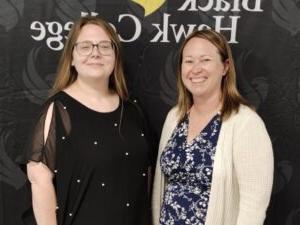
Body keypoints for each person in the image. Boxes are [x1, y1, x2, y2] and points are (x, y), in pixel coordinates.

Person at [26, 16, 151, 225]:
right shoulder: (58, 109)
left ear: (115, 56)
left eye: (104, 46)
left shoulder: (132, 111)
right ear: (72, 58)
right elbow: (39, 180)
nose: (95, 53)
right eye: (85, 46)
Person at [152, 29, 274, 225]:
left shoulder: (245, 123)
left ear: (225, 67)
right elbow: (162, 189)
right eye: (189, 61)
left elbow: (254, 205)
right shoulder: (175, 117)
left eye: (205, 60)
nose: (196, 68)